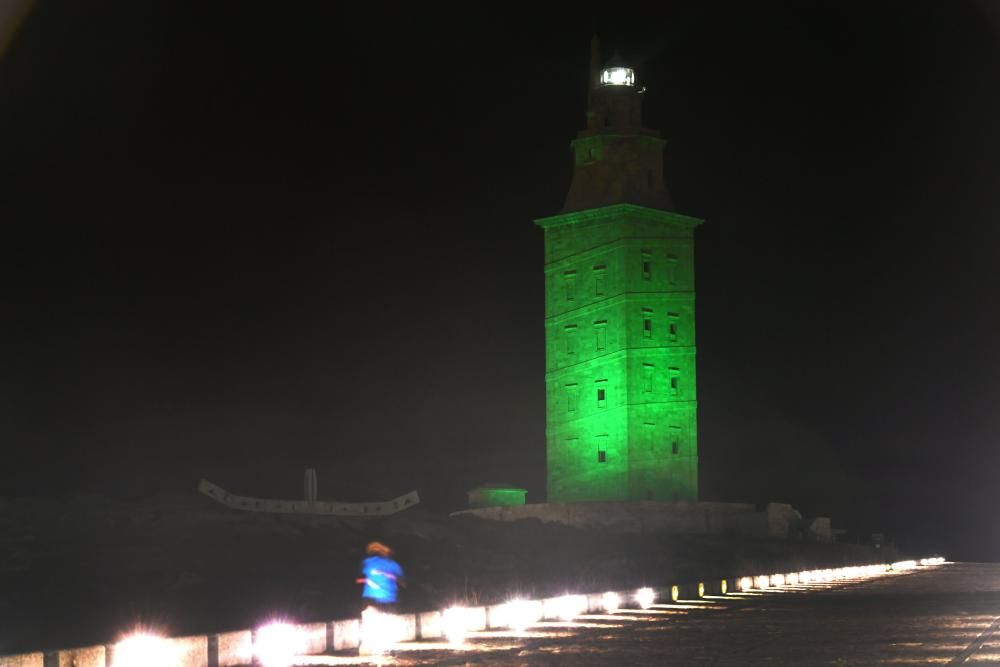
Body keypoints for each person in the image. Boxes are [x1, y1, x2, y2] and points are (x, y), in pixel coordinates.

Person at [357, 541, 405, 657]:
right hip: (386, 598)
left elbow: (358, 579)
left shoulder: (367, 563)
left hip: (374, 598)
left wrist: (369, 580)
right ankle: (386, 645)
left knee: (371, 619)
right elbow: (403, 582)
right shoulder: (393, 565)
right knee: (385, 620)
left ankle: (369, 646)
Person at [358, 541, 404, 611]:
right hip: (371, 600)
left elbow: (403, 582)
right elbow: (357, 580)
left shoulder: (393, 565)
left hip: (389, 601)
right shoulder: (367, 562)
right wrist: (367, 581)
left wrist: (384, 573)